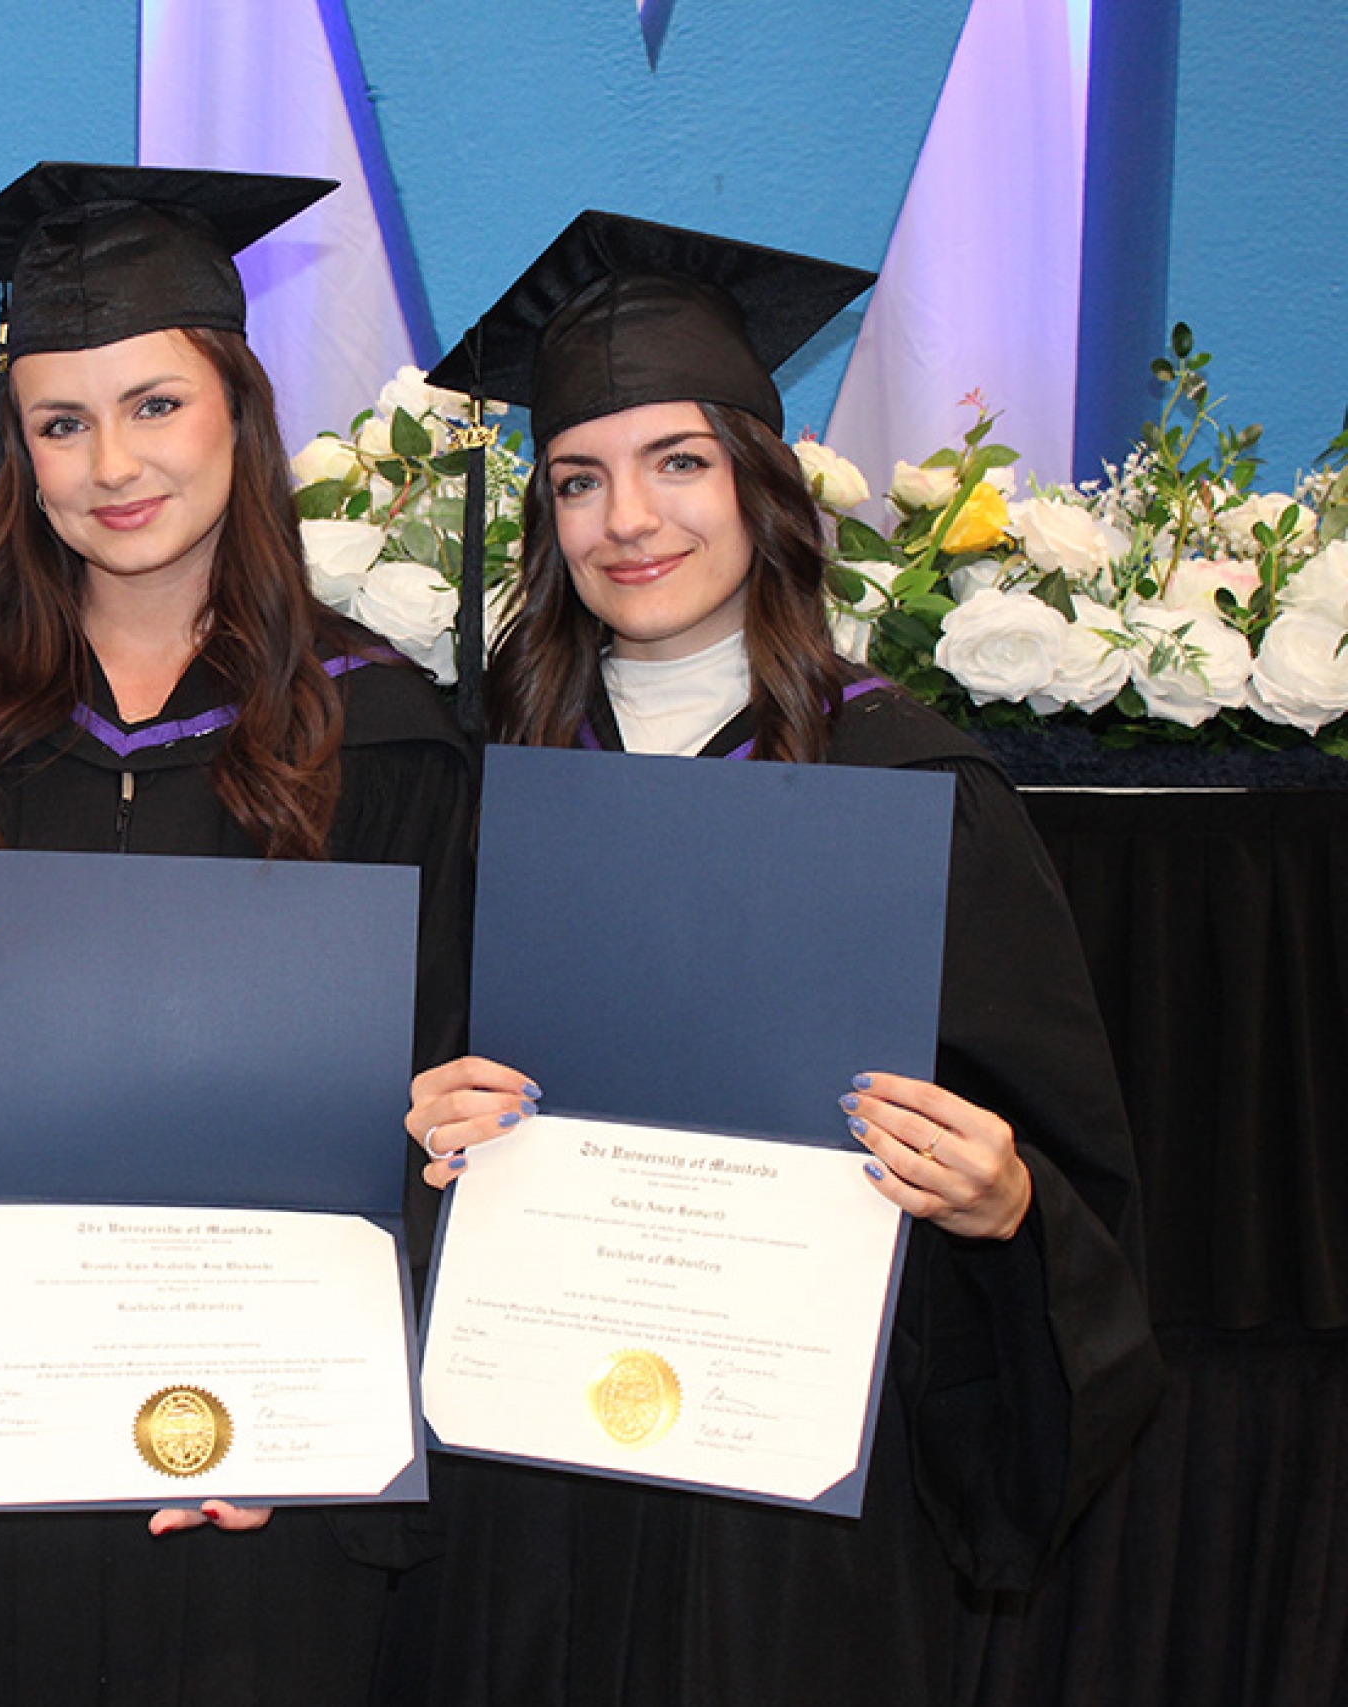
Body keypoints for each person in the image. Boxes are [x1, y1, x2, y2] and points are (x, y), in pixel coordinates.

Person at [402, 212, 1162, 1706]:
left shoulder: (911, 784)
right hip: (513, 1490)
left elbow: (1067, 1184)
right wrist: (412, 1116)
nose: (628, 517)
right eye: (578, 478)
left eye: (677, 461)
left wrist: (1002, 1199)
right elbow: (368, 1104)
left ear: (762, 475)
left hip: (795, 1493)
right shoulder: (478, 777)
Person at [0, 163, 475, 1705]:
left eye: (155, 405)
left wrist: (307, 1407)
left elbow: (439, 1117)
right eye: (62, 424)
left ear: (238, 404)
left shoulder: (389, 739)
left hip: (257, 1442)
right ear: (18, 451)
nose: (113, 466)